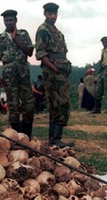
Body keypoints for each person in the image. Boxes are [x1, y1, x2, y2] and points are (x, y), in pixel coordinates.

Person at [0, 9, 35, 138]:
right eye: (6, 20)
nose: (9, 23)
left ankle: (27, 136)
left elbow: (29, 52)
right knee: (13, 106)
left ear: (16, 20)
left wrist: (17, 39)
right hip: (9, 77)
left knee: (29, 105)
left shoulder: (24, 34)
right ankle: (17, 137)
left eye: (11, 20)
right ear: (3, 22)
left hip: (23, 75)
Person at [35, 3, 74, 147]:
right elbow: (41, 53)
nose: (52, 17)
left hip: (61, 72)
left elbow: (63, 52)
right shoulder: (43, 30)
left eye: (54, 14)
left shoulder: (57, 32)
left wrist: (65, 67)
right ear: (45, 13)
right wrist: (55, 69)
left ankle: (56, 138)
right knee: (57, 103)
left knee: (62, 103)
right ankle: (55, 139)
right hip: (52, 73)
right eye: (50, 14)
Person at [92, 36, 107, 114]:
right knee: (99, 89)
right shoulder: (103, 51)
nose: (104, 43)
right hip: (103, 69)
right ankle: (97, 108)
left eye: (105, 42)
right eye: (103, 42)